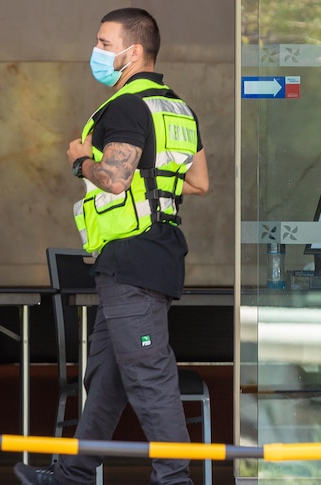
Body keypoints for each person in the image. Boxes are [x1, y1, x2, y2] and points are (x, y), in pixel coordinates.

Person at [14, 7, 209, 485]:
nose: (96, 52)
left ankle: (174, 479)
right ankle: (71, 476)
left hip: (132, 257)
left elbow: (116, 179)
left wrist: (82, 161)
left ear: (134, 51)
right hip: (153, 254)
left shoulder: (125, 105)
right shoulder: (177, 107)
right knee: (106, 377)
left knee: (148, 374)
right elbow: (199, 182)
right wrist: (153, 185)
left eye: (104, 43)